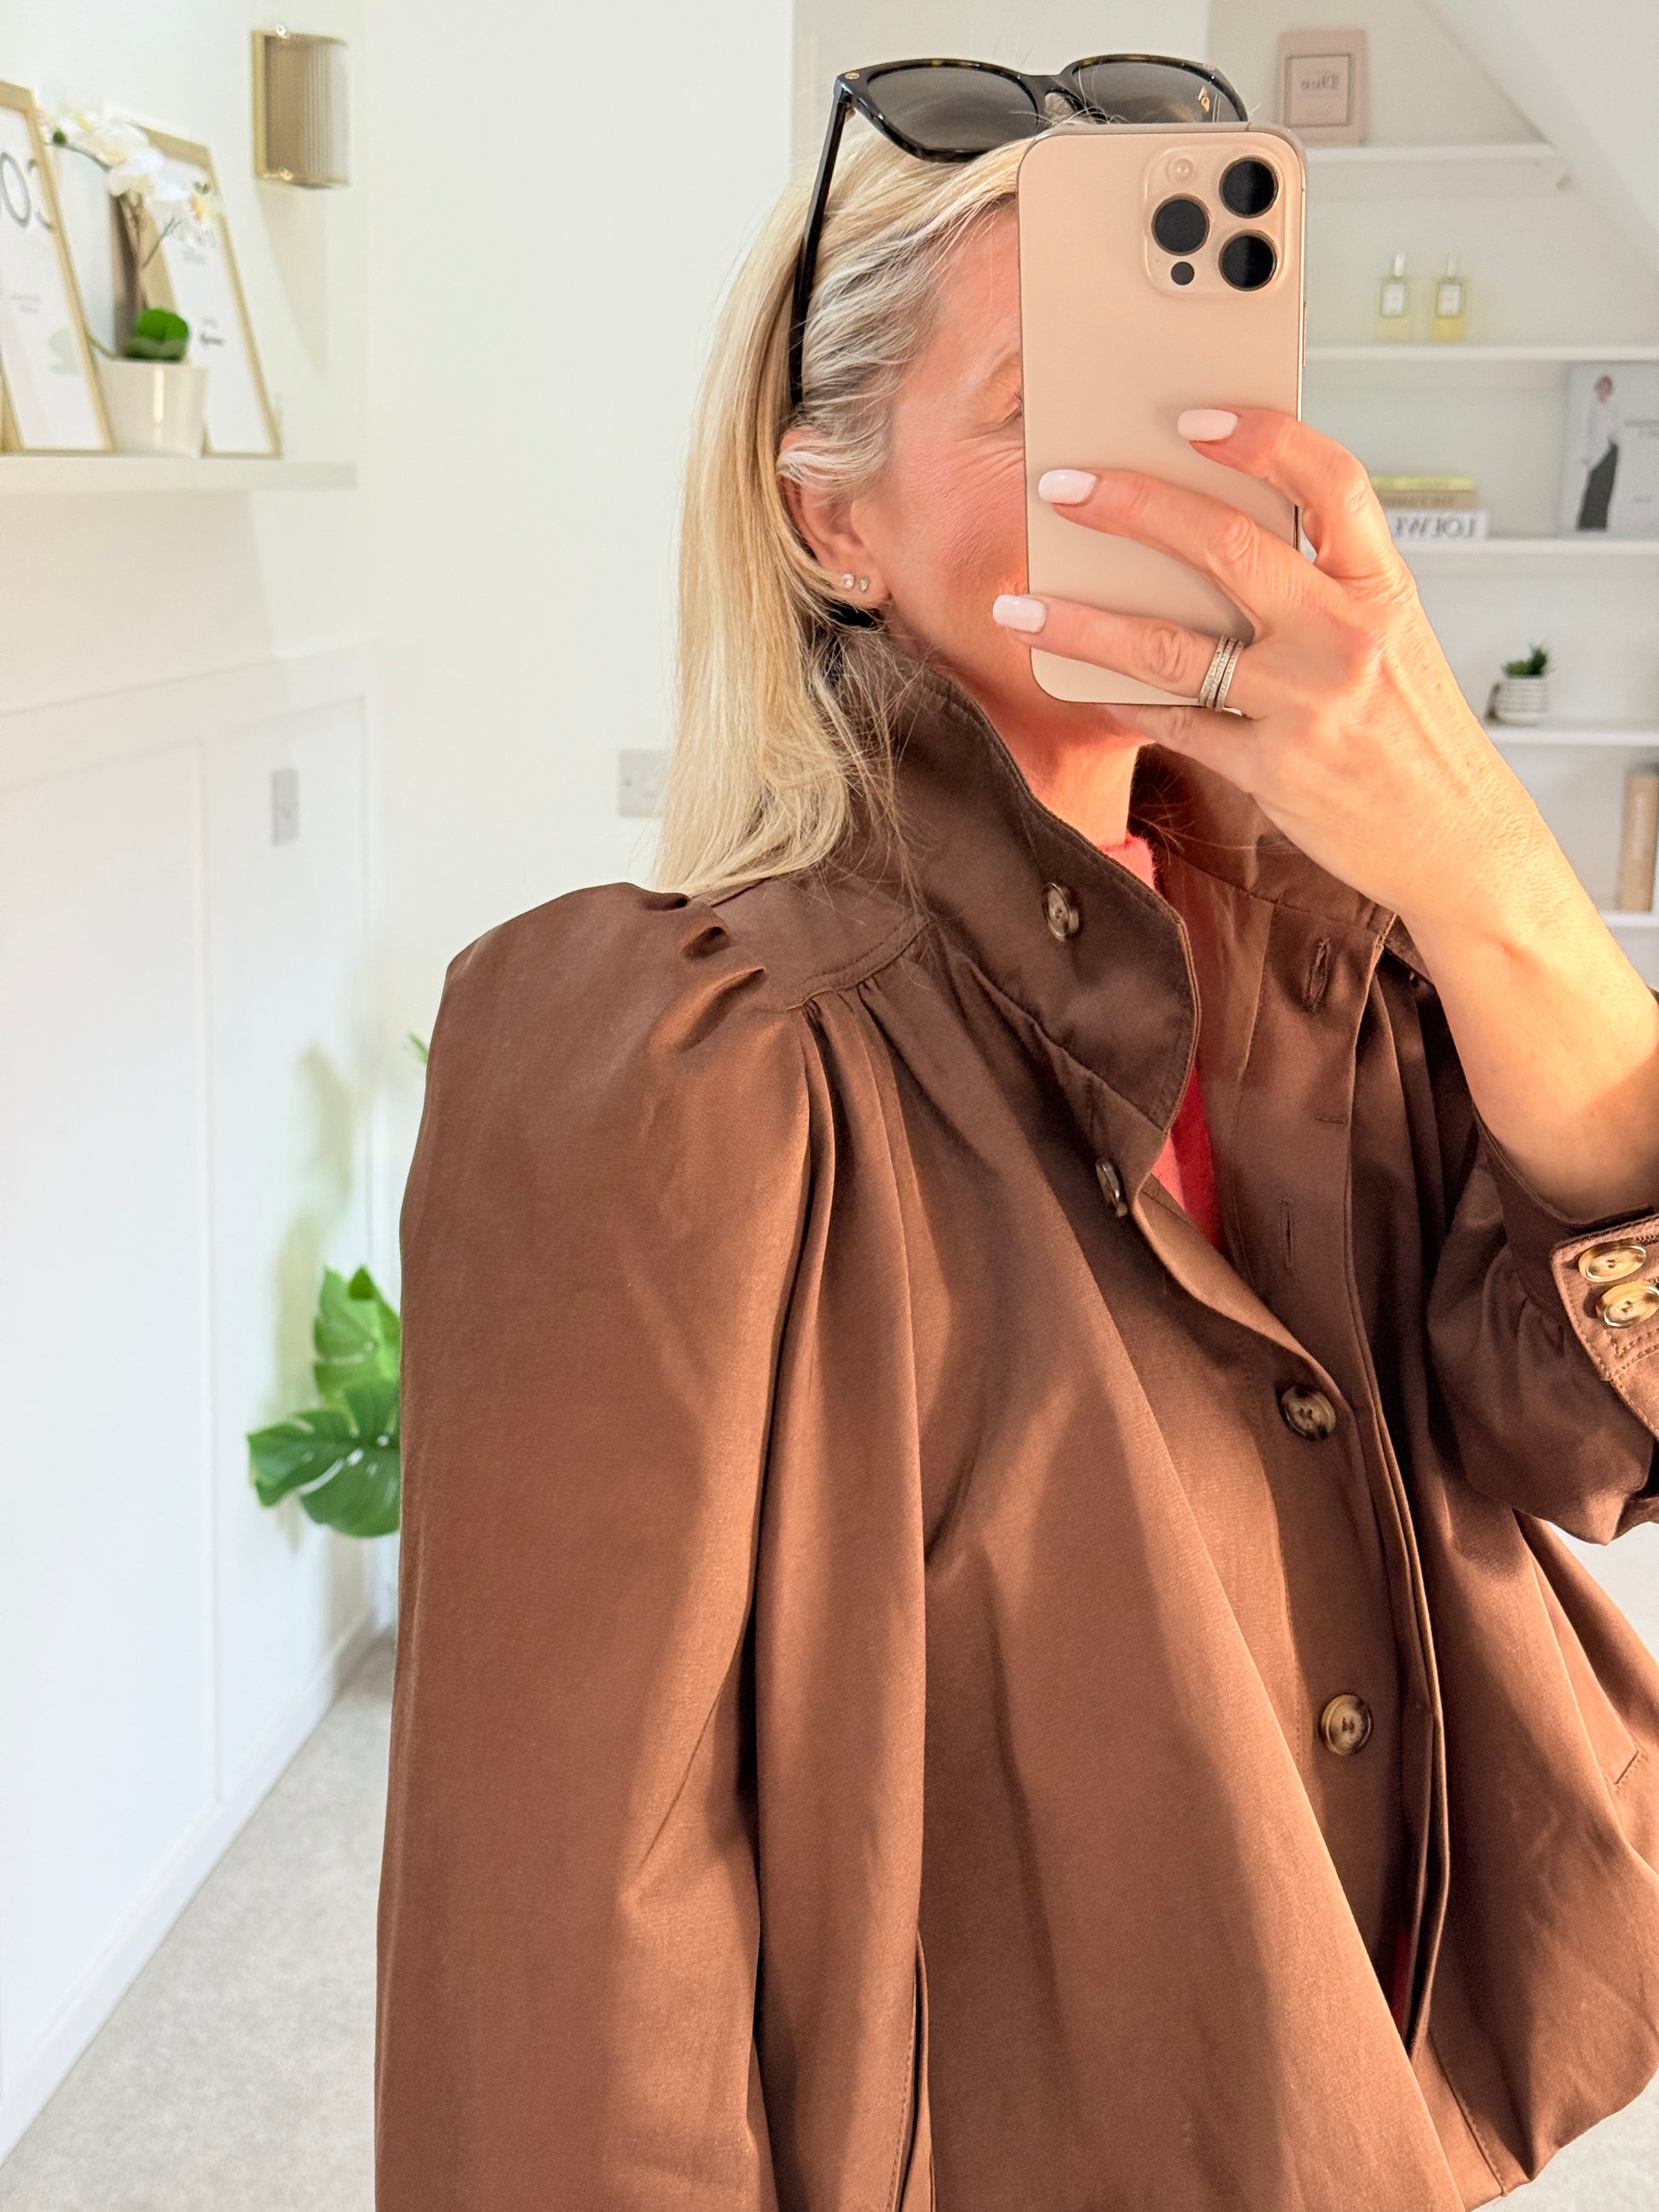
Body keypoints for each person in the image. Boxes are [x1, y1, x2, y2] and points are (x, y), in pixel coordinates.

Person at [376, 62, 1659, 2212]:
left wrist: (1482, 862)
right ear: (829, 519)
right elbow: (570, 1974)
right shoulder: (688, 1075)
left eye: (1192, 412)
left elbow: (1603, 1431)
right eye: (1043, 412)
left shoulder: (1350, 981)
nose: (1155, 492)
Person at [1575, 371, 1622, 530]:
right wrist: (1585, 453)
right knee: (1594, 487)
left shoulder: (1613, 406)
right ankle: (1587, 522)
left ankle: (1600, 522)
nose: (1603, 390)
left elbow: (1617, 428)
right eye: (1601, 387)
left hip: (1610, 450)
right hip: (1595, 452)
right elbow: (1585, 431)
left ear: (1610, 390)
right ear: (1597, 388)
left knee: (1606, 487)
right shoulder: (1591, 406)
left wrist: (1615, 440)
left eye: (1606, 388)